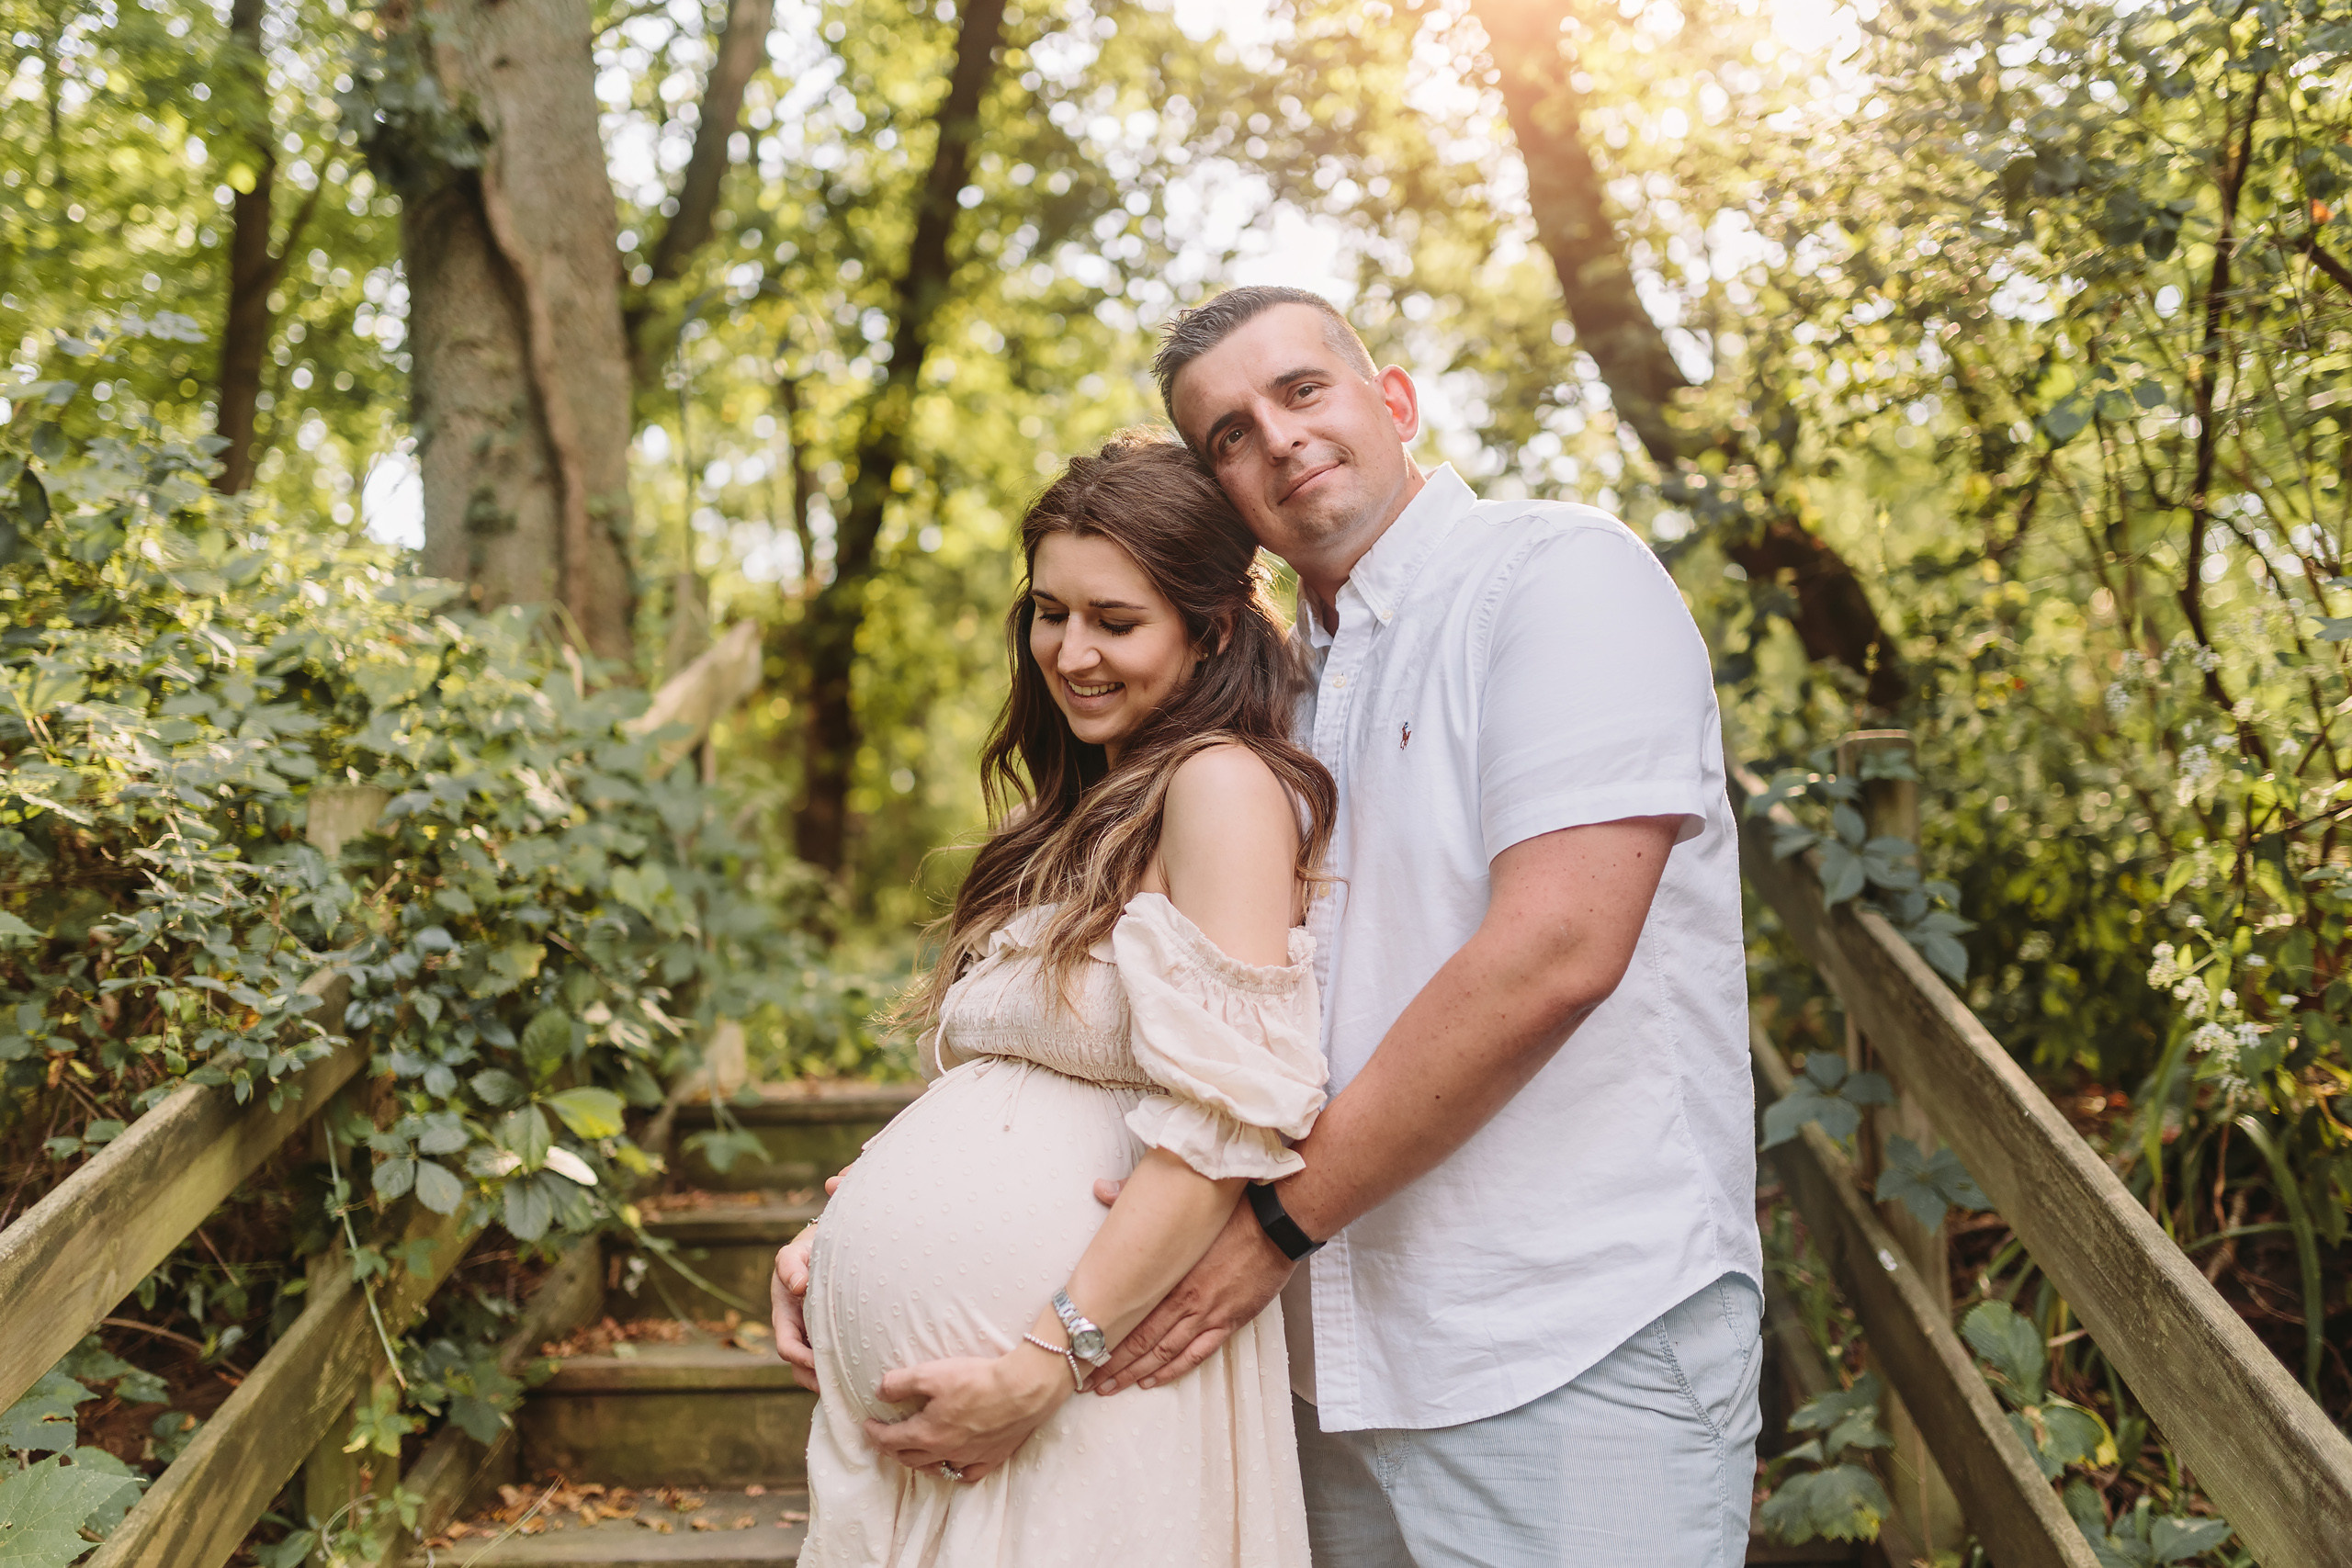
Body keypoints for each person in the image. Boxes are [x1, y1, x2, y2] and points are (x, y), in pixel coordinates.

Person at [779, 285, 1763, 1566]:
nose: (1277, 436)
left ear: (1393, 398)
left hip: (1559, 1327)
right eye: (1228, 433)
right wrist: (882, 1202)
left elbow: (1559, 951)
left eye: (1302, 389)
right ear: (1221, 504)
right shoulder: (1266, 700)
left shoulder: (1555, 577)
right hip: (1317, 1360)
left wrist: (1270, 1224)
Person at [780, 430, 1339, 1566]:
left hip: (1083, 1386)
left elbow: (1223, 1125)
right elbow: (1004, 1089)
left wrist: (1041, 1367)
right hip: (976, 1412)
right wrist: (834, 1233)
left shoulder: (1219, 786)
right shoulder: (1088, 804)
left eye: (1115, 622)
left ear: (1211, 628)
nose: (1070, 651)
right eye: (1049, 612)